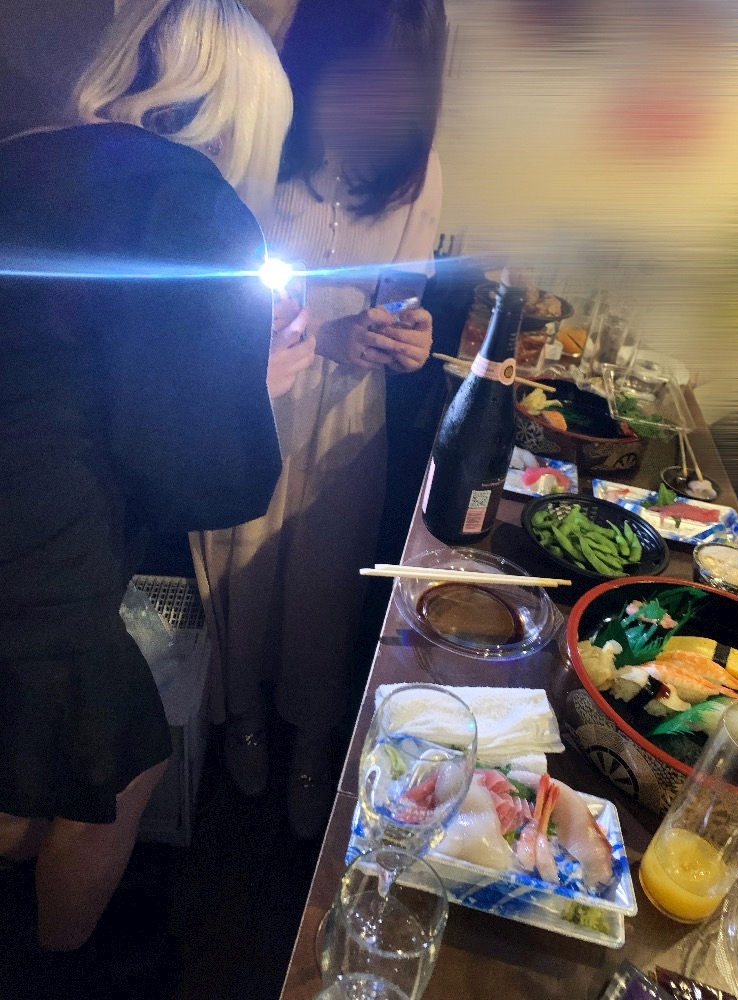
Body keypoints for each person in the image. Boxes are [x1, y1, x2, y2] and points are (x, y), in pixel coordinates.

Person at [0, 0, 312, 991]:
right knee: (120, 759)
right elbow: (209, 476)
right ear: (247, 114)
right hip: (39, 551)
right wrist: (258, 385)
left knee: (36, 758)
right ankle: (63, 966)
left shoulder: (27, 150)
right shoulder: (193, 200)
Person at [191, 0, 447, 839]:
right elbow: (207, 296)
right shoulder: (259, 135)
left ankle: (310, 739)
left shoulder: (416, 169)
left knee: (325, 584)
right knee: (242, 564)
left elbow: (401, 300)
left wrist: (410, 338)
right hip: (253, 390)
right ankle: (242, 717)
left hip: (347, 416)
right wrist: (321, 335)